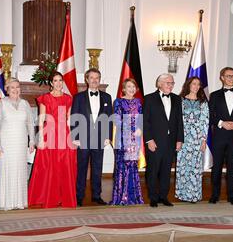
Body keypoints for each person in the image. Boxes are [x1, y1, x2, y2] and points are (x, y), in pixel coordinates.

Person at [28, 72, 77, 208]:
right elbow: (42, 118)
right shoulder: (45, 98)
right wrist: (41, 139)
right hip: (49, 133)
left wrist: (71, 138)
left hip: (64, 134)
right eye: (55, 80)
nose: (58, 83)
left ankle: (63, 197)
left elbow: (68, 119)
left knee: (64, 166)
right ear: (51, 83)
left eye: (60, 80)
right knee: (49, 166)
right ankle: (47, 196)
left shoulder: (68, 99)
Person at [70, 68, 113, 207]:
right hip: (82, 138)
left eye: (97, 78)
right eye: (92, 78)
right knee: (81, 169)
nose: (94, 80)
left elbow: (109, 119)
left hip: (100, 138)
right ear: (87, 80)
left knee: (97, 168)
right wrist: (75, 137)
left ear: (99, 80)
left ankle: (96, 195)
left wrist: (108, 136)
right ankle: (79, 196)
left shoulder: (107, 97)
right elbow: (74, 117)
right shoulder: (78, 97)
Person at [0, 78, 35, 210]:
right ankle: (6, 202)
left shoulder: (25, 104)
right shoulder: (0, 104)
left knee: (20, 171)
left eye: (18, 87)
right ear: (7, 89)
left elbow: (30, 124)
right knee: (7, 171)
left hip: (21, 143)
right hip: (6, 144)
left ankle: (19, 202)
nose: (15, 90)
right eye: (12, 87)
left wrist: (32, 141)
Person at [208, 67, 233, 205]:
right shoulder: (214, 95)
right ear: (222, 78)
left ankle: (232, 195)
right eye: (228, 76)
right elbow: (210, 114)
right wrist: (221, 123)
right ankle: (215, 194)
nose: (231, 78)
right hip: (219, 135)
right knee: (217, 166)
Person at [143, 73, 184, 208]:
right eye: (168, 83)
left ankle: (163, 196)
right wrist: (149, 140)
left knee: (167, 170)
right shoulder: (149, 98)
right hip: (155, 141)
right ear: (159, 83)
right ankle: (153, 197)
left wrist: (179, 139)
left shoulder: (177, 99)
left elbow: (179, 121)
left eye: (172, 83)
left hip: (171, 141)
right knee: (153, 170)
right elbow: (146, 122)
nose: (171, 85)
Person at [110, 78, 144, 206]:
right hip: (123, 139)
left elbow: (140, 119)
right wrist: (129, 130)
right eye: (129, 86)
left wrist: (140, 129)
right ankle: (120, 197)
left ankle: (133, 196)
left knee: (132, 166)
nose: (131, 89)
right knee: (122, 167)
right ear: (124, 89)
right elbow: (117, 120)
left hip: (135, 139)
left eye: (133, 87)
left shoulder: (138, 102)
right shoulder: (118, 102)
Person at [175, 76, 209, 203]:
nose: (196, 86)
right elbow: (177, 121)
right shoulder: (180, 100)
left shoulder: (203, 102)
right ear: (188, 85)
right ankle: (182, 194)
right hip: (183, 138)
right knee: (183, 166)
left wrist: (204, 140)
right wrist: (178, 138)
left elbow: (205, 121)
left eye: (198, 84)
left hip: (197, 139)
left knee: (195, 167)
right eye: (194, 84)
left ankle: (194, 195)